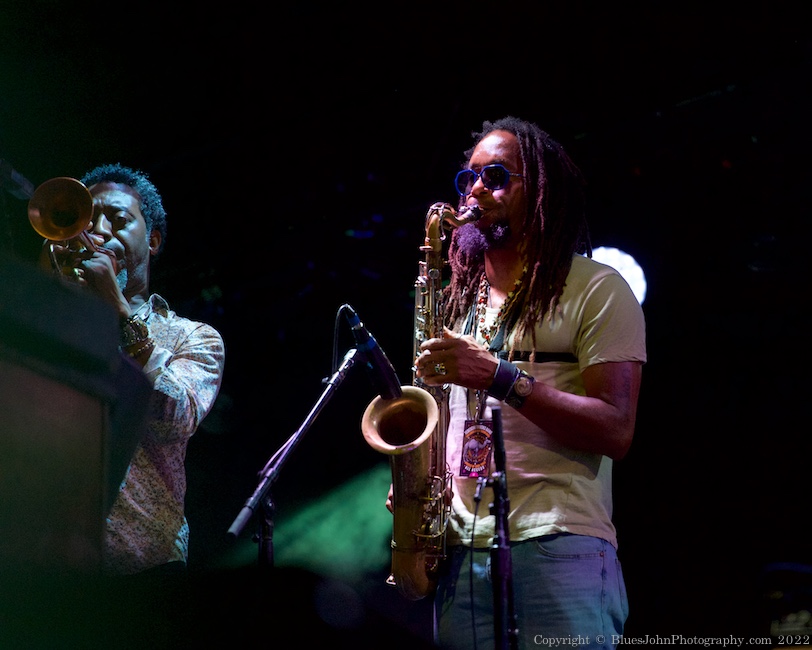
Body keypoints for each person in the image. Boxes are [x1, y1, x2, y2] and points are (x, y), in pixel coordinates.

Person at [413, 117, 646, 649]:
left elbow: (616, 430)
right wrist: (413, 482)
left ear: (540, 190)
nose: (475, 190)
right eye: (468, 178)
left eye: (496, 176)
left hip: (559, 546)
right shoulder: (458, 301)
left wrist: (499, 376)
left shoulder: (597, 288)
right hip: (461, 551)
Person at [40, 163, 225, 576]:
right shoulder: (55, 324)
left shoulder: (191, 337)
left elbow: (173, 418)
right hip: (44, 563)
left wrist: (119, 314)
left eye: (118, 220)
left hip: (145, 565)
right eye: (86, 221)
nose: (99, 232)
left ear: (153, 240)